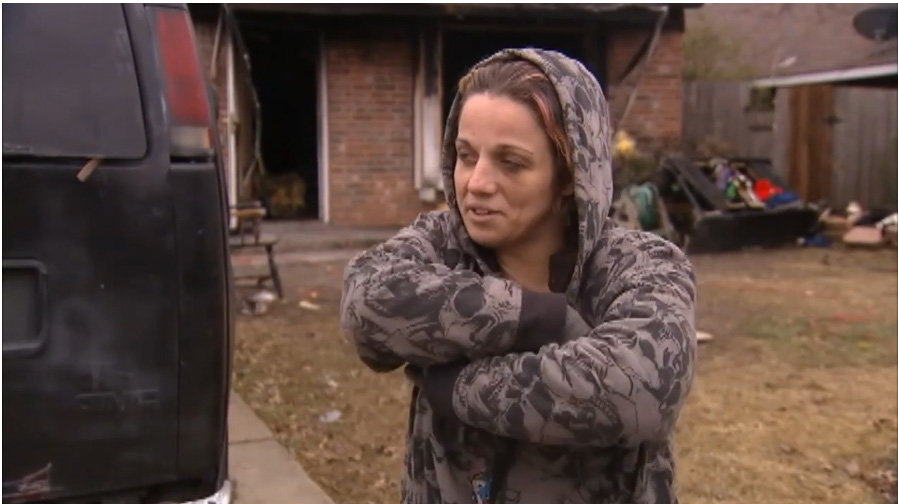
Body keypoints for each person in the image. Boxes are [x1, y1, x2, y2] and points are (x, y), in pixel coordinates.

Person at [340, 48, 697, 504]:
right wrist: (536, 317)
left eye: (511, 162)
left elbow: (639, 391)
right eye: (466, 156)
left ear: (569, 175)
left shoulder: (642, 264)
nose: (477, 183)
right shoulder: (441, 243)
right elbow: (364, 307)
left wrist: (456, 386)